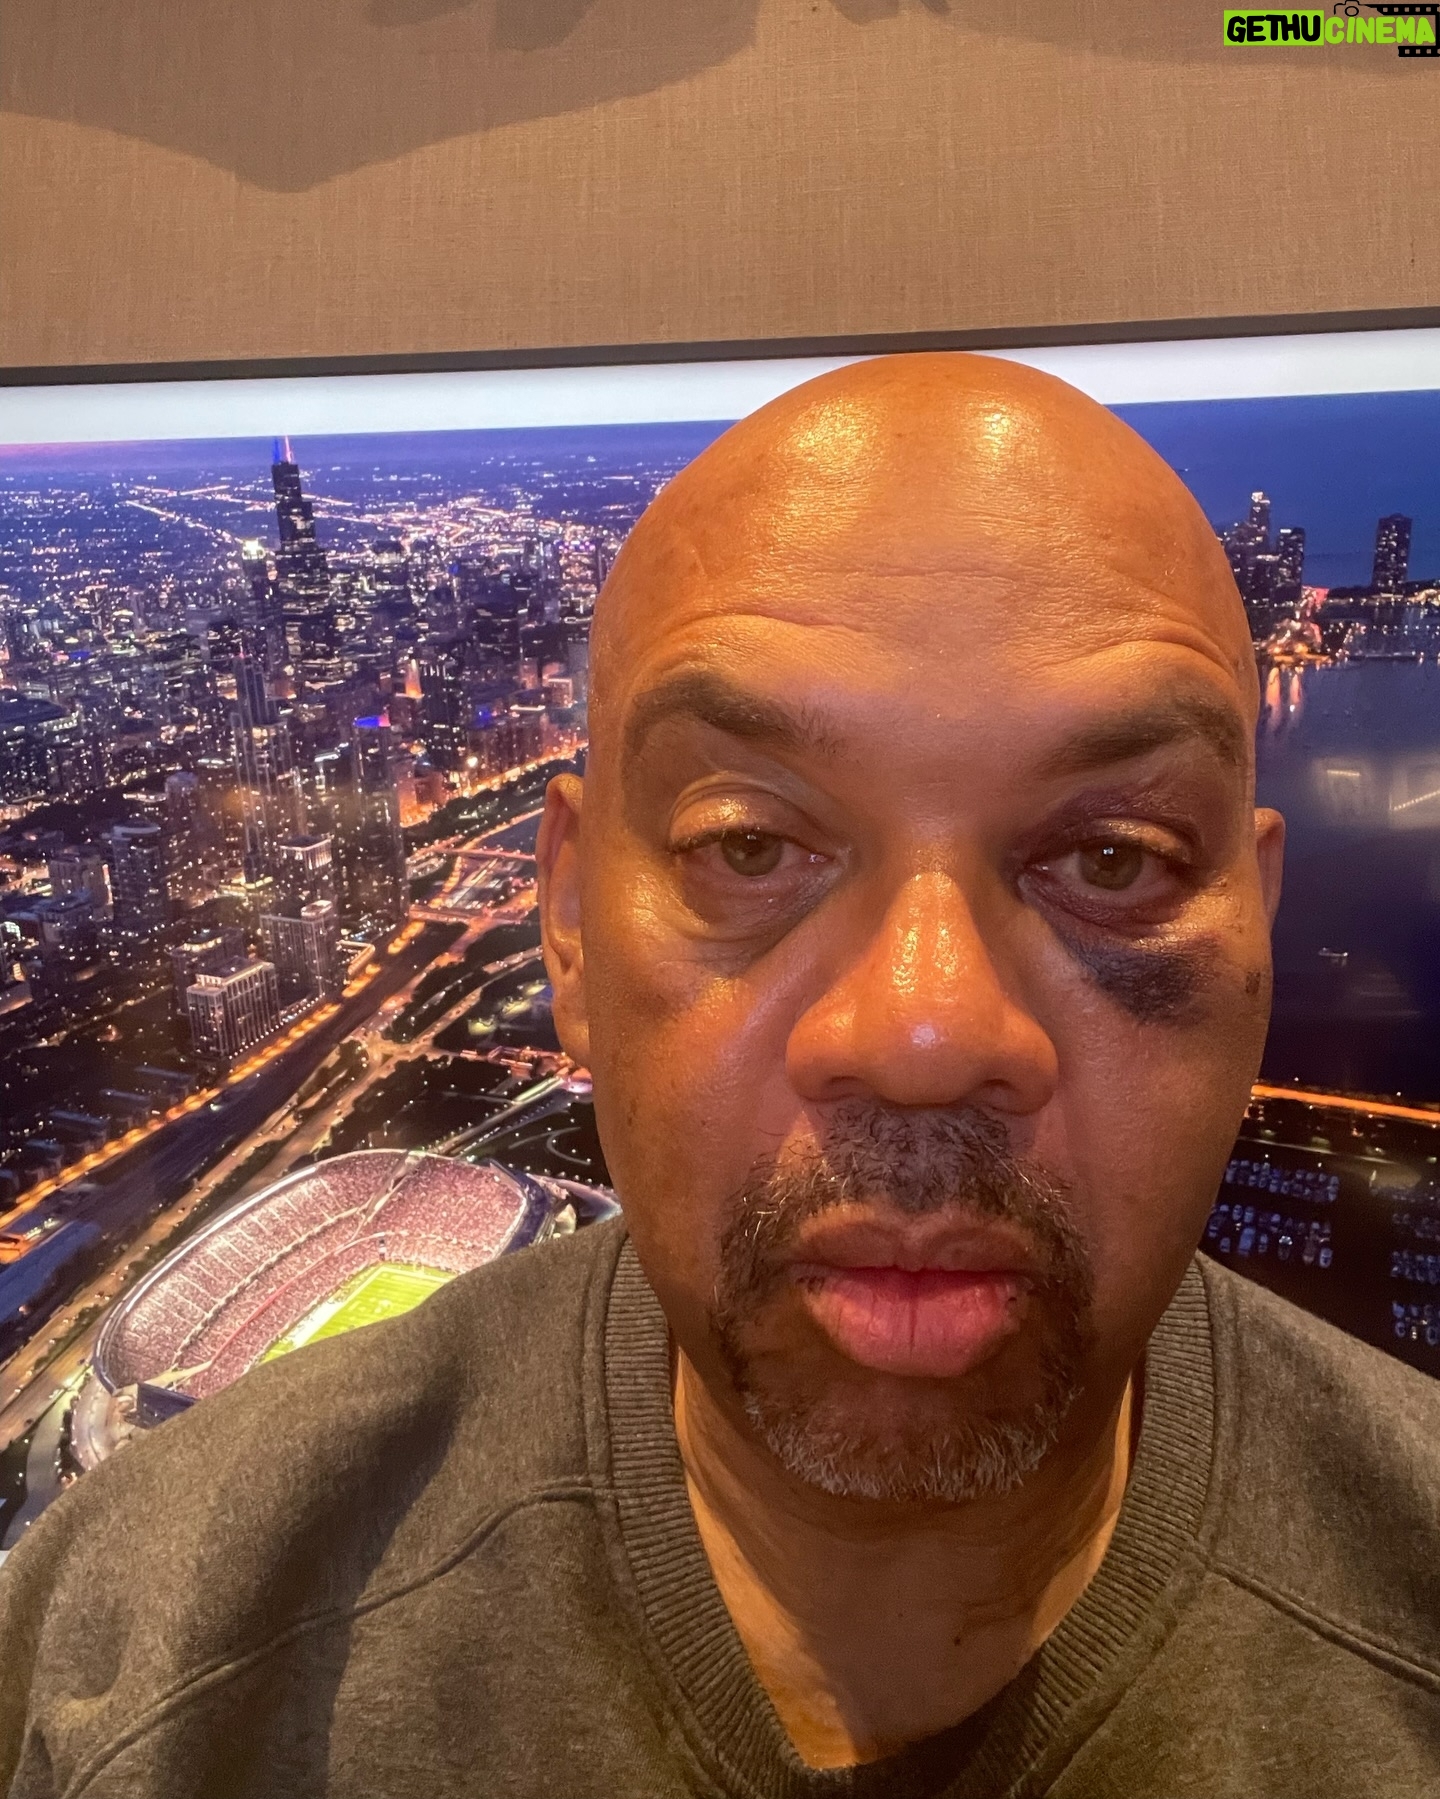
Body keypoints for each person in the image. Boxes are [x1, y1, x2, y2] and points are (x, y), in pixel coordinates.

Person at [3, 353, 1439, 1798]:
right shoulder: (128, 1663)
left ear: (1256, 934)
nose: (925, 1036)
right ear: (569, 927)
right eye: (748, 846)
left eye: (1114, 860)